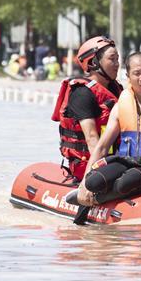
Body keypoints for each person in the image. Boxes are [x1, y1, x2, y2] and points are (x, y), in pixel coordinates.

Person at [73, 52, 141, 205]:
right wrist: (84, 182)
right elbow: (102, 146)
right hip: (125, 160)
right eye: (137, 73)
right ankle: (95, 193)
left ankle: (97, 199)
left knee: (123, 184)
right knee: (93, 182)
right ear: (128, 76)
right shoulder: (121, 105)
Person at [51, 36, 122, 180]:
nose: (117, 64)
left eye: (117, 59)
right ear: (93, 63)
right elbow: (91, 138)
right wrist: (99, 175)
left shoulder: (116, 89)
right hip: (90, 164)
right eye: (112, 59)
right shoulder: (82, 93)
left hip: (116, 158)